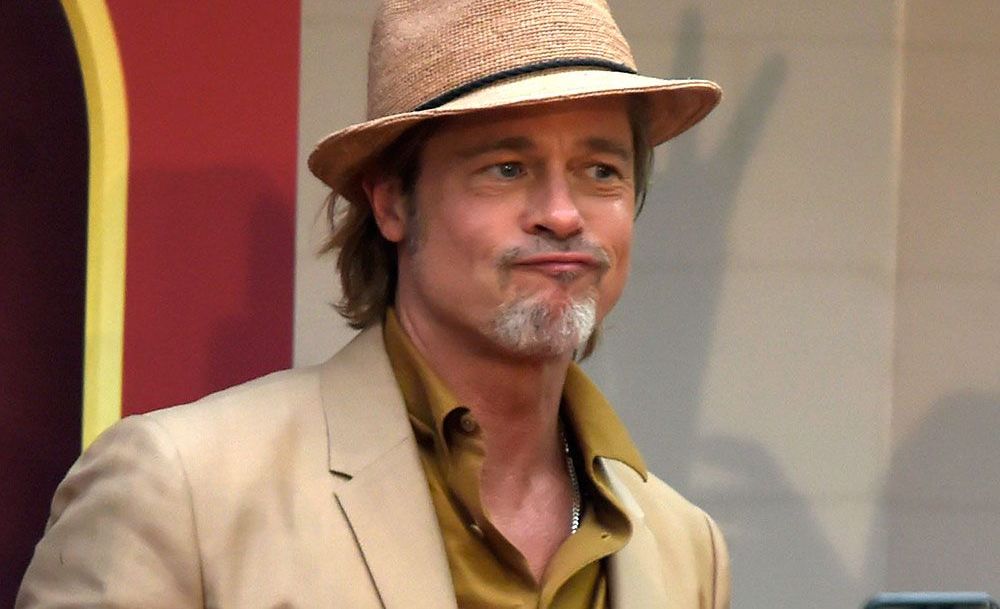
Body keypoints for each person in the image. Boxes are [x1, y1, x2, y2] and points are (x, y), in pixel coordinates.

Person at [18, 1, 729, 607]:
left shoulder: (686, 545)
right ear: (390, 202)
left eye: (601, 171)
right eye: (507, 168)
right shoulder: (180, 487)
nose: (563, 213)